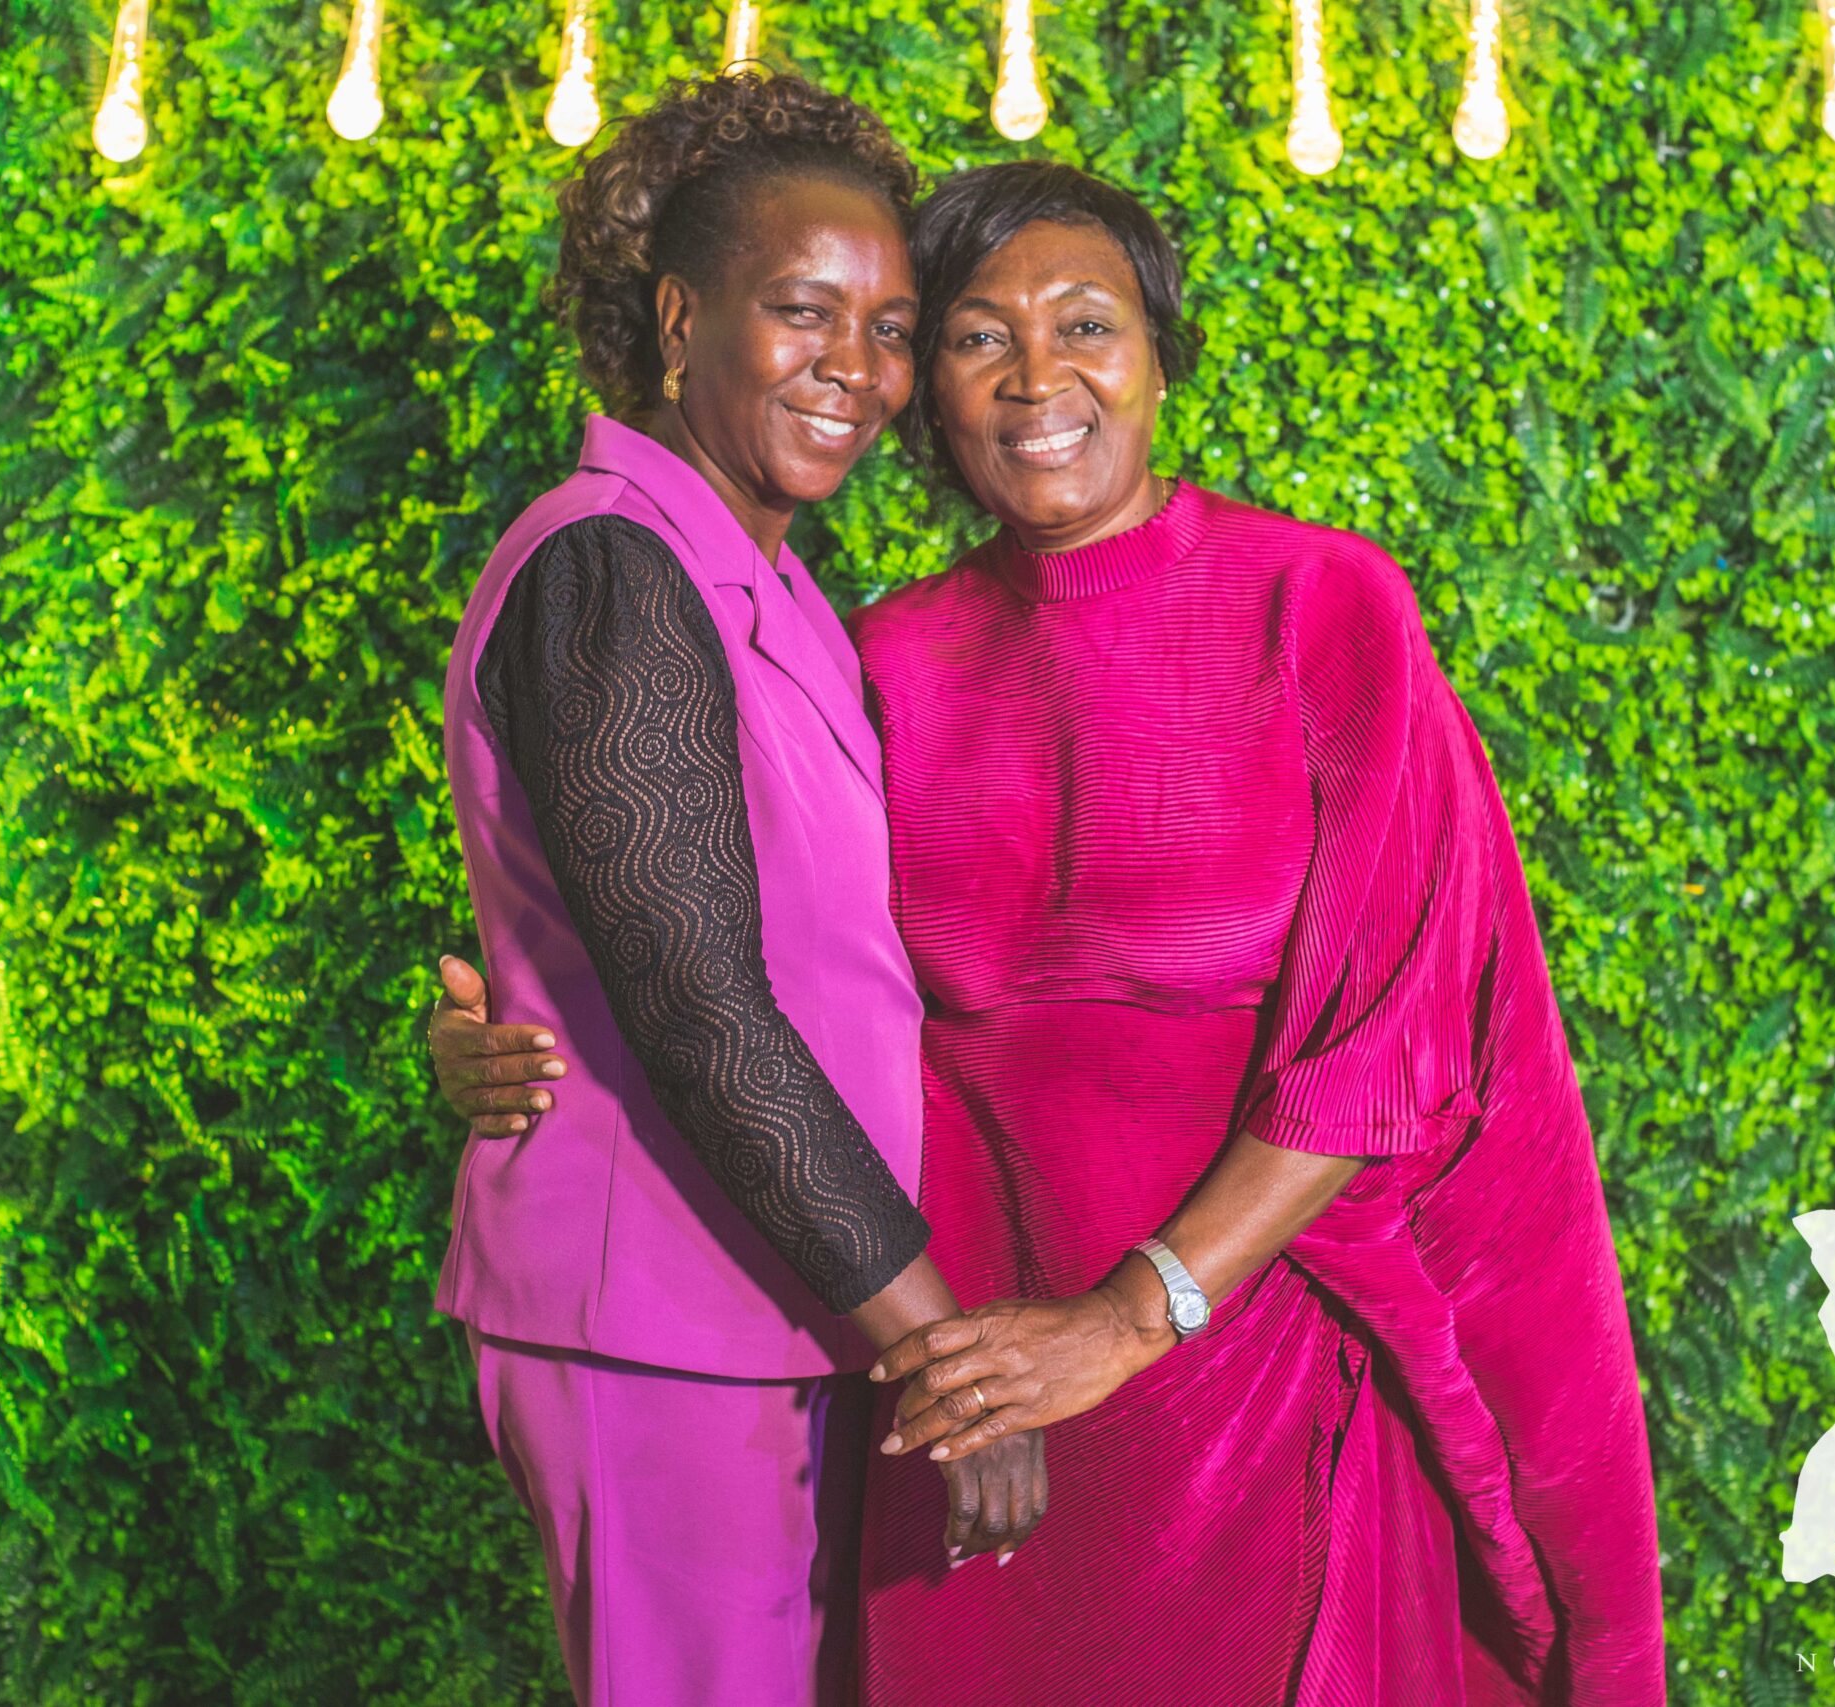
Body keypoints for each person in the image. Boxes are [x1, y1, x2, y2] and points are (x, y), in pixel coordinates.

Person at [436, 160, 1665, 1704]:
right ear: (934, 401)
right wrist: (509, 1019)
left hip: (1249, 1354)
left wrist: (1134, 1317)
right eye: (974, 338)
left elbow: (1387, 1041)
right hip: (959, 1366)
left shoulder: (1324, 606)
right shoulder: (880, 652)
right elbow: (719, 937)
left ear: (1159, 359)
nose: (1037, 379)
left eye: (1088, 326)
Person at [430, 73, 1040, 1707]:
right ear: (681, 316)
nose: (860, 368)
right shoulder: (610, 566)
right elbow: (700, 1004)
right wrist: (946, 1353)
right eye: (804, 311)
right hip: (665, 1326)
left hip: (783, 1304)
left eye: (892, 329)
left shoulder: (762, 579)